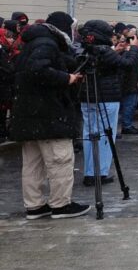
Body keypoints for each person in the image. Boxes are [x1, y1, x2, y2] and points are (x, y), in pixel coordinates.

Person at [8, 11, 90, 219]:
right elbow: (39, 70)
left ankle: (34, 205)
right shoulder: (46, 43)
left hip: (30, 113)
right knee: (60, 160)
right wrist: (67, 78)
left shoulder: (35, 42)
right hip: (48, 112)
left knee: (33, 164)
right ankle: (60, 204)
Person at [76, 19, 138, 186]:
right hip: (107, 97)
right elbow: (127, 65)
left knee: (90, 135)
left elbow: (108, 63)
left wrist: (117, 51)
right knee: (105, 136)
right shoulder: (104, 50)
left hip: (88, 96)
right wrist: (134, 48)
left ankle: (90, 171)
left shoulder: (85, 49)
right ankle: (100, 172)